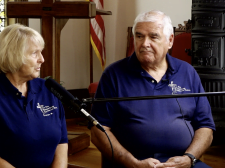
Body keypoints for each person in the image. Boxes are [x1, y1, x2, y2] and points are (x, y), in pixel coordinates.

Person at [90, 10, 215, 168]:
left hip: (182, 162)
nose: (144, 43)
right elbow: (98, 130)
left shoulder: (187, 72)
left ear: (170, 41)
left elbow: (206, 126)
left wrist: (189, 158)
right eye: (139, 36)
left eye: (153, 36)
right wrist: (133, 163)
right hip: (131, 163)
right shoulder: (113, 74)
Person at [0, 24, 68, 168]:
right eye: (34, 53)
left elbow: (62, 142)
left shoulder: (48, 89)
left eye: (41, 52)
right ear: (14, 55)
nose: (42, 59)